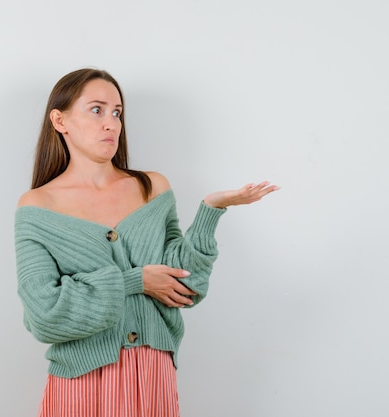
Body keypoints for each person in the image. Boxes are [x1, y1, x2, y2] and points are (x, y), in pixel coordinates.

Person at [14, 68, 279, 417]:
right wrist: (135, 281)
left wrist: (210, 211)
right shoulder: (37, 207)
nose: (110, 123)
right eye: (96, 110)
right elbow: (44, 314)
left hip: (152, 379)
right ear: (60, 120)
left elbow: (189, 286)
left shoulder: (152, 189)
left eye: (117, 112)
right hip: (80, 385)